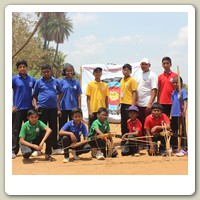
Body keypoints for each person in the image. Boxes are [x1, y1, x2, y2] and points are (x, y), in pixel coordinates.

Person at [33, 64, 63, 155]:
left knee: (53, 128)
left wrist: (58, 104)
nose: (46, 73)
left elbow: (61, 93)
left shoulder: (56, 81)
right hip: (42, 108)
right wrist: (35, 105)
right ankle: (38, 148)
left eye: (48, 71)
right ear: (42, 72)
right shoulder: (38, 82)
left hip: (53, 108)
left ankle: (54, 147)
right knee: (41, 128)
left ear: (51, 71)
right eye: (44, 72)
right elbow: (34, 95)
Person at [12, 59, 36, 159]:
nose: (22, 68)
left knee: (29, 131)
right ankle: (13, 150)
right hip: (17, 109)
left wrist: (35, 104)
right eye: (20, 67)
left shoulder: (32, 80)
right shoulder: (14, 79)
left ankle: (28, 150)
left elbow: (37, 93)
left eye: (24, 67)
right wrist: (11, 106)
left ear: (27, 68)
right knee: (15, 130)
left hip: (29, 110)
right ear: (17, 69)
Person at [136, 58, 158, 136]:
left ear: (149, 65)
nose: (144, 66)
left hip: (147, 104)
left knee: (148, 124)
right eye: (142, 64)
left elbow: (154, 90)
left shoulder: (152, 75)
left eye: (145, 64)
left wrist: (150, 103)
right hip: (139, 104)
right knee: (140, 123)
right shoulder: (139, 75)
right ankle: (142, 141)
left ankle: (149, 142)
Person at [59, 63, 82, 130]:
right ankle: (62, 139)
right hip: (63, 107)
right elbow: (58, 96)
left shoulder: (76, 82)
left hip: (73, 108)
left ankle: (73, 138)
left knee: (73, 124)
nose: (70, 72)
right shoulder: (61, 82)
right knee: (62, 124)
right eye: (68, 71)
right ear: (64, 72)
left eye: (71, 70)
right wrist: (58, 108)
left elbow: (79, 96)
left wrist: (79, 107)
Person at [117, 63, 137, 137]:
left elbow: (134, 93)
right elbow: (120, 92)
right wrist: (118, 105)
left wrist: (133, 106)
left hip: (129, 104)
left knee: (130, 122)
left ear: (130, 71)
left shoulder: (132, 80)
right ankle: (124, 138)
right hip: (123, 104)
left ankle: (130, 138)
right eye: (124, 70)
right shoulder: (122, 80)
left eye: (127, 70)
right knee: (123, 122)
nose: (125, 71)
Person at [170, 76, 188, 156]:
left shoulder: (183, 91)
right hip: (174, 114)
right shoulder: (173, 93)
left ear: (181, 83)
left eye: (177, 82)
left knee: (182, 131)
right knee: (174, 131)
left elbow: (185, 102)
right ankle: (174, 147)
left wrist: (184, 112)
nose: (175, 84)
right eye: (174, 82)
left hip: (180, 114)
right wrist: (170, 115)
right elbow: (172, 104)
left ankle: (184, 149)